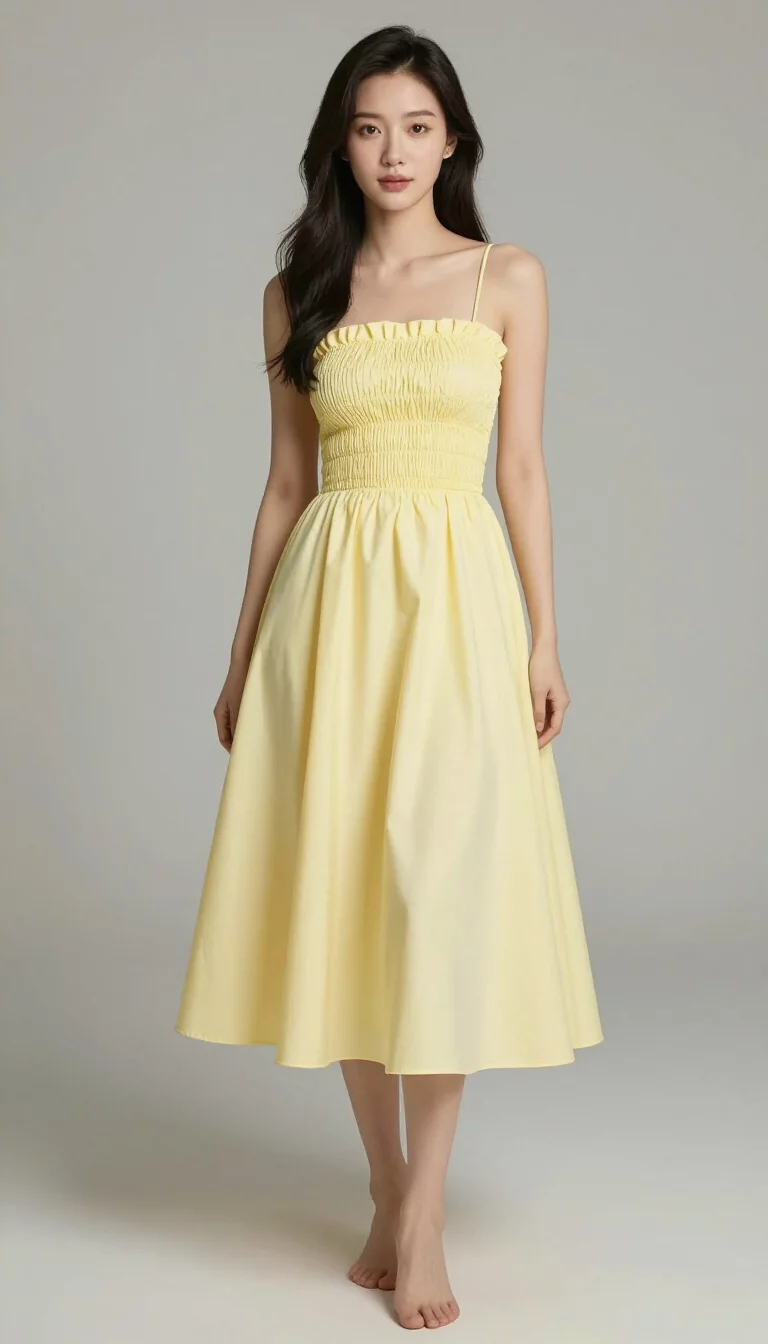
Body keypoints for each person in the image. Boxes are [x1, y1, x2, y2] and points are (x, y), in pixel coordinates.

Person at [176, 23, 603, 1332]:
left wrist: (543, 632)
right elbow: (283, 488)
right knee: (350, 896)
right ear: (340, 144)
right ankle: (383, 1180)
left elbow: (521, 471)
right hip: (330, 610)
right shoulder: (299, 287)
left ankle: (422, 1222)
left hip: (457, 608)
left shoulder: (509, 278)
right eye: (369, 127)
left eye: (417, 126)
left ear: (454, 139)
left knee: (441, 897)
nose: (394, 151)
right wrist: (241, 651)